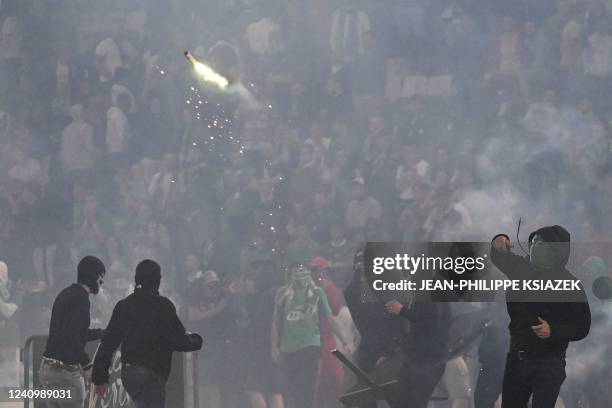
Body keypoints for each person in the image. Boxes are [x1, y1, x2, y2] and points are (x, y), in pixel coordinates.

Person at [491, 225, 591, 408]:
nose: (535, 246)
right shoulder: (521, 268)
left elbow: (582, 326)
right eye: (534, 242)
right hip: (516, 360)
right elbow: (498, 255)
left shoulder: (570, 284)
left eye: (541, 243)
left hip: (548, 363)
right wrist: (499, 238)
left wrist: (553, 330)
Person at [92, 259, 203, 408]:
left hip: (129, 373)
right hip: (152, 372)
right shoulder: (163, 306)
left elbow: (108, 343)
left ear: (136, 279)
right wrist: (196, 340)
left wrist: (100, 377)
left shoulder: (124, 305)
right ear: (158, 280)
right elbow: (178, 340)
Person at [271, 263, 351, 408]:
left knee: (308, 388)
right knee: (291, 389)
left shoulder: (316, 291)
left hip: (310, 345)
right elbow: (276, 322)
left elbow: (330, 317)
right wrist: (274, 346)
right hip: (288, 347)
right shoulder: (282, 293)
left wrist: (344, 340)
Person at [39, 256, 106, 408]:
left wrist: (101, 333)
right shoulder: (81, 300)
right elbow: (74, 337)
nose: (101, 283)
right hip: (66, 373)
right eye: (101, 277)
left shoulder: (65, 293)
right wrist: (87, 365)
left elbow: (73, 331)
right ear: (93, 276)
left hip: (47, 370)